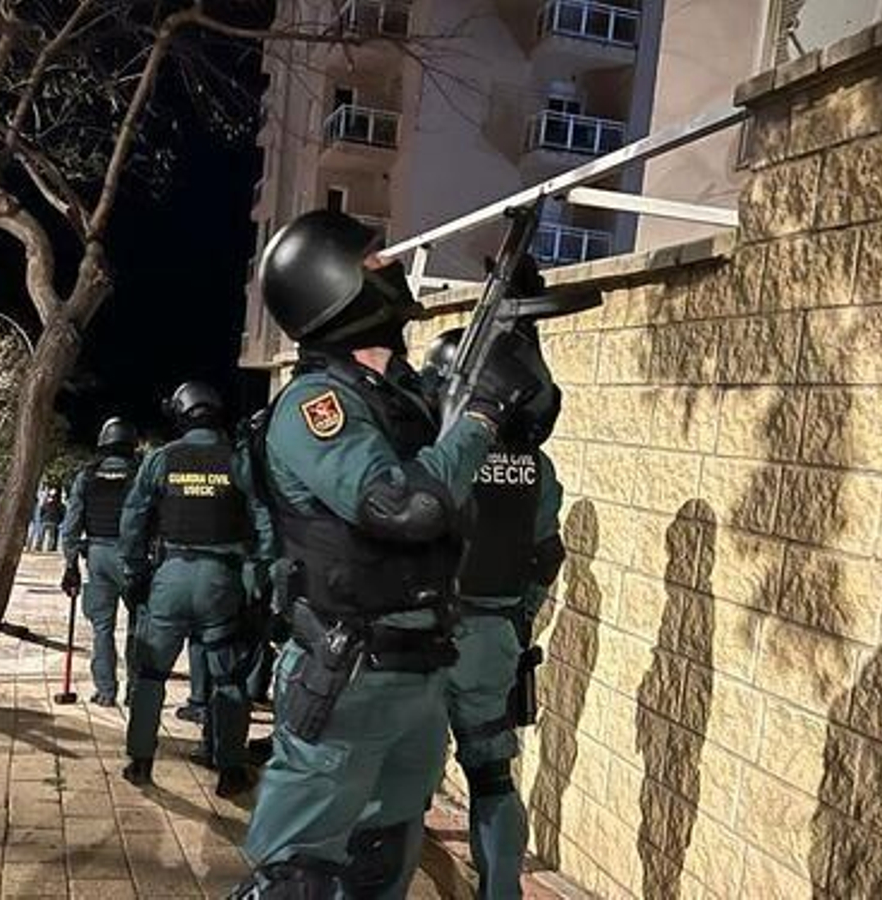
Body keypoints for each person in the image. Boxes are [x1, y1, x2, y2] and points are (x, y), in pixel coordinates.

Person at [231, 210, 546, 898]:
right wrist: (483, 418)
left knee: (382, 868)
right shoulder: (317, 404)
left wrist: (519, 323)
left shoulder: (403, 396)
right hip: (346, 670)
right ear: (331, 283)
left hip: (420, 671)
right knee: (297, 881)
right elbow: (404, 507)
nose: (392, 265)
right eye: (375, 260)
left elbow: (525, 409)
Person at [422, 326, 566, 899]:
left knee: (405, 780)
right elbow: (546, 554)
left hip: (426, 638)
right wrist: (516, 616)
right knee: (492, 778)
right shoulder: (538, 467)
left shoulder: (438, 457)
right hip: (493, 640)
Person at [119, 381, 274, 798]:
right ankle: (230, 770)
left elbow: (133, 520)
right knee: (228, 679)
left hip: (170, 577)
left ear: (180, 416)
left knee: (150, 674)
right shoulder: (239, 459)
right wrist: (257, 579)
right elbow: (264, 524)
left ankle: (140, 760)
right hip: (221, 580)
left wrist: (133, 575)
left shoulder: (162, 460)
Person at [60, 417, 142, 707]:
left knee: (102, 627)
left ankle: (106, 691)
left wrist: (70, 563)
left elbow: (70, 526)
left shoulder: (87, 476)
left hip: (97, 555)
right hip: (134, 558)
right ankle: (136, 690)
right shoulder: (140, 473)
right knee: (138, 625)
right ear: (131, 444)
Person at [39, 488, 66, 553]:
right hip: (54, 521)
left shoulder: (46, 503)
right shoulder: (59, 504)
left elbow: (42, 511)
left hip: (46, 520)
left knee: (42, 535)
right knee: (52, 536)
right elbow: (62, 513)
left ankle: (39, 546)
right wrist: (60, 521)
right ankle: (51, 548)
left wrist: (42, 519)